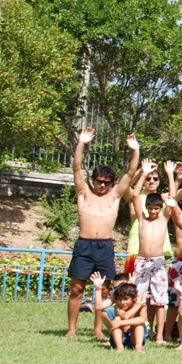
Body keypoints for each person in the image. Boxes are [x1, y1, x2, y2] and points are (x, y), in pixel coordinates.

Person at [67, 129, 139, 338]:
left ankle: (98, 329)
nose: (102, 185)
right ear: (93, 180)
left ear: (111, 183)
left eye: (106, 182)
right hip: (84, 245)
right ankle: (71, 329)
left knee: (105, 291)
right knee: (76, 290)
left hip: (104, 247)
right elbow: (77, 167)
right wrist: (81, 143)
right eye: (99, 181)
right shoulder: (84, 193)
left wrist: (135, 150)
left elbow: (131, 173)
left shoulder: (115, 196)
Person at [129, 166, 171, 345]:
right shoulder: (141, 219)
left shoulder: (164, 219)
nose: (153, 212)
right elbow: (135, 195)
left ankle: (159, 335)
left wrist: (170, 175)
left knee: (159, 300)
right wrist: (143, 175)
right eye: (151, 208)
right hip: (141, 261)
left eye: (156, 209)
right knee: (139, 297)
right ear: (146, 208)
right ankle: (139, 330)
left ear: (161, 208)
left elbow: (172, 198)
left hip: (158, 262)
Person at [105, 283, 147, 352]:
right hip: (121, 337)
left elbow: (142, 319)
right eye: (119, 299)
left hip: (134, 338)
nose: (122, 302)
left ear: (134, 298)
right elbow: (125, 316)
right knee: (117, 318)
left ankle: (138, 347)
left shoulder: (141, 306)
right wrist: (139, 305)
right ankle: (119, 347)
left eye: (126, 299)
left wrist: (120, 323)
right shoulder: (117, 306)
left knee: (139, 325)